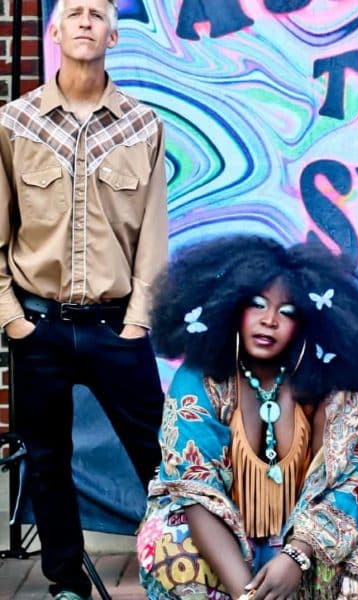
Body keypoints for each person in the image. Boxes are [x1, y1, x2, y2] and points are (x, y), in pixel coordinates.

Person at [0, 1, 168, 598]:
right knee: (47, 460)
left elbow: (153, 237)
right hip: (38, 325)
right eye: (74, 12)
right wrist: (12, 320)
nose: (85, 21)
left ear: (113, 35)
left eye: (97, 13)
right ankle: (66, 582)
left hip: (115, 326)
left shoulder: (142, 126)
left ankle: (186, 568)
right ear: (54, 30)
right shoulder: (15, 123)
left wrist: (138, 322)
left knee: (160, 457)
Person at [136, 235, 358, 600]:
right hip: (222, 542)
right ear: (231, 308)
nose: (269, 321)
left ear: (308, 323)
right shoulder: (200, 379)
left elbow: (342, 482)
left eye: (287, 312)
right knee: (171, 542)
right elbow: (195, 491)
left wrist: (297, 555)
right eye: (257, 305)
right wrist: (245, 594)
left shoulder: (334, 383)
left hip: (301, 543)